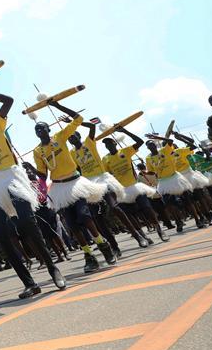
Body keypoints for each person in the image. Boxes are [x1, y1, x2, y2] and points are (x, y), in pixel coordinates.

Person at [0, 85, 66, 298]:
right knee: (0, 234)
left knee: (27, 224)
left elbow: (8, 99)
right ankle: (30, 283)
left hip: (12, 176)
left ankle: (53, 269)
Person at [32, 102, 118, 273]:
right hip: (58, 188)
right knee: (72, 224)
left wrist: (56, 104)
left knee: (84, 216)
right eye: (37, 130)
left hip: (75, 183)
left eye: (42, 128)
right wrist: (31, 171)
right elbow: (42, 175)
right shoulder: (38, 151)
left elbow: (79, 119)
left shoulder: (60, 137)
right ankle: (88, 255)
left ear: (48, 130)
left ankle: (103, 246)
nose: (40, 131)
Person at [68, 118, 153, 248]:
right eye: (69, 137)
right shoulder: (72, 153)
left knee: (114, 207)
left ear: (79, 136)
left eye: (73, 135)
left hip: (103, 179)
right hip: (89, 184)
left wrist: (73, 122)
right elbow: (77, 170)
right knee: (97, 217)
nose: (71, 138)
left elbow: (91, 126)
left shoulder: (89, 143)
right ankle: (113, 246)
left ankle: (138, 236)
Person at [102, 130, 170, 241]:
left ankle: (159, 230)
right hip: (121, 191)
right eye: (106, 145)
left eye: (110, 143)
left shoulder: (126, 151)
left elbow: (140, 141)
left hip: (135, 187)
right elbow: (107, 175)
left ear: (115, 143)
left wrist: (123, 130)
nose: (108, 146)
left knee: (147, 207)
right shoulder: (105, 159)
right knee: (129, 215)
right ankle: (142, 236)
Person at [145, 138, 206, 230]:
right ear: (148, 148)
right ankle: (178, 222)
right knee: (169, 203)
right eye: (150, 145)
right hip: (163, 182)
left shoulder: (164, 150)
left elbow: (170, 141)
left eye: (153, 144)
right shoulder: (148, 158)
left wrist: (158, 137)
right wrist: (147, 173)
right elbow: (151, 171)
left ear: (156, 145)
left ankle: (198, 220)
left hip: (175, 178)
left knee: (188, 200)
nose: (152, 146)